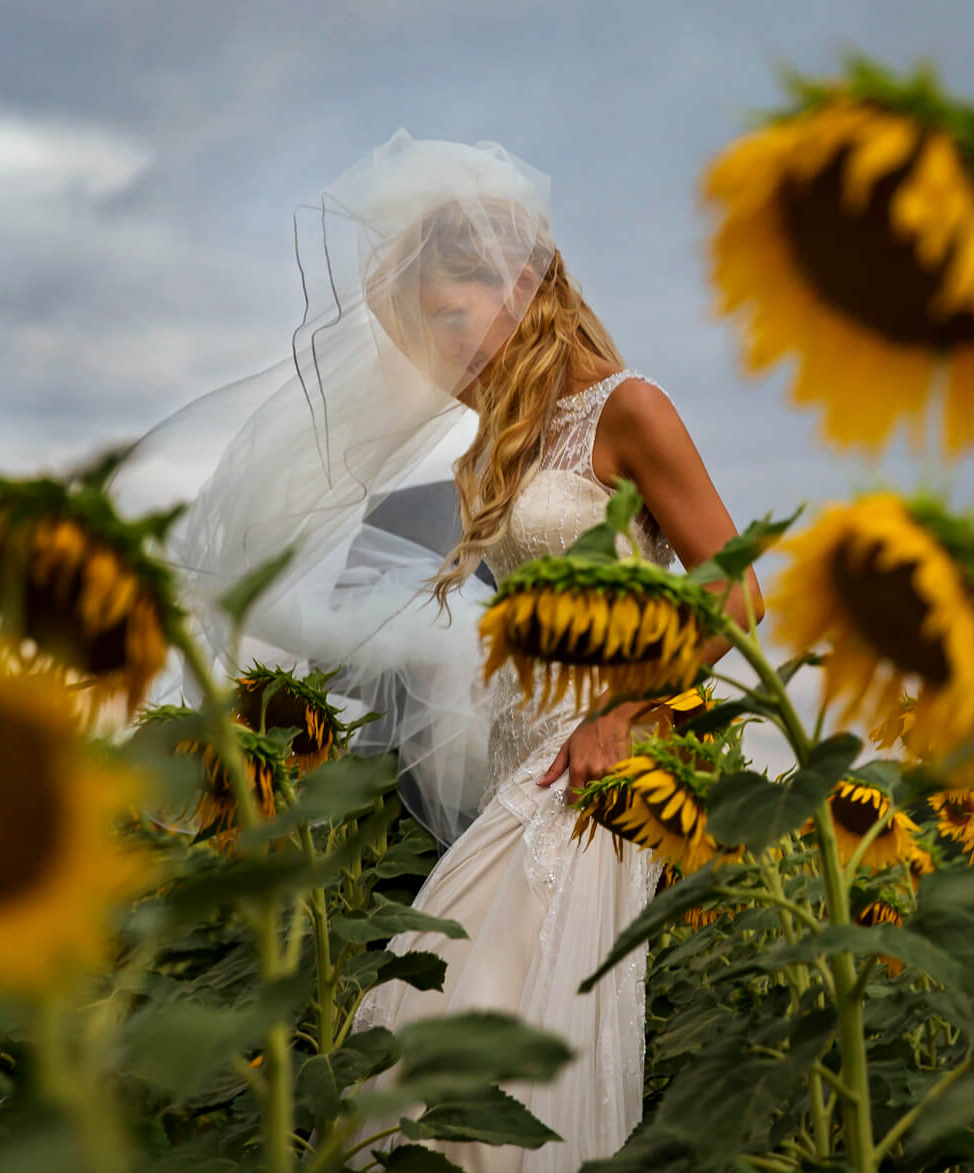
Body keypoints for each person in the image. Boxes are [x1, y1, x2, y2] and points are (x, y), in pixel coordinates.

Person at [142, 130, 763, 1171]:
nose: (440, 348)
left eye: (451, 313)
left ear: (522, 283)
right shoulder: (496, 444)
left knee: (488, 1048)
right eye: (427, 323)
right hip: (522, 761)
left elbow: (738, 589)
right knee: (430, 1043)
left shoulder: (630, 409)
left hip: (596, 774)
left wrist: (623, 710)